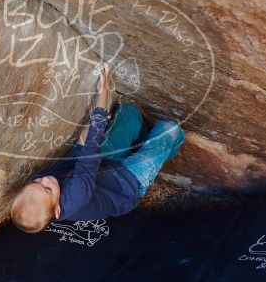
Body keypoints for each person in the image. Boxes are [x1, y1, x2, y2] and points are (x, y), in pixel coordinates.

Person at [10, 63, 186, 233]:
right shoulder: (76, 197)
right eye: (47, 189)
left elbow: (80, 150)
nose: (45, 179)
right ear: (57, 210)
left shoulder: (45, 183)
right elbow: (91, 148)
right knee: (170, 129)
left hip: (105, 164)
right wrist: (102, 92)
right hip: (128, 183)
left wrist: (94, 113)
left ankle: (143, 147)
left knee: (129, 112)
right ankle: (167, 150)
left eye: (36, 182)